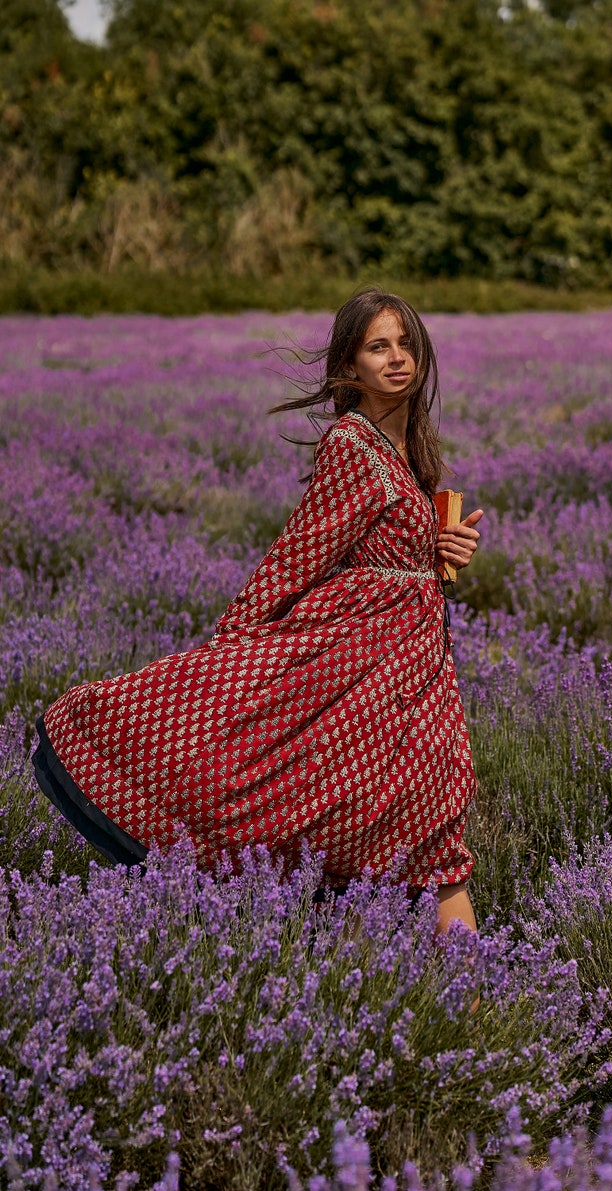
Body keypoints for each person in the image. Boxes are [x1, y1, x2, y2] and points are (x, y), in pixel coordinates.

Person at [32, 289, 484, 934]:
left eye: (406, 344)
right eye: (377, 346)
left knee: (419, 823)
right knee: (421, 832)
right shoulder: (354, 447)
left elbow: (393, 559)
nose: (397, 359)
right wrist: (236, 654)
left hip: (410, 675)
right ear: (349, 365)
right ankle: (465, 1003)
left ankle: (439, 997)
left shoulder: (406, 450)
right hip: (366, 673)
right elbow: (297, 556)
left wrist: (442, 551)